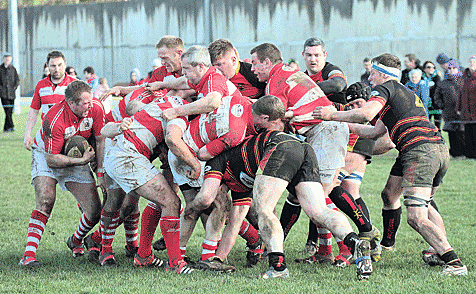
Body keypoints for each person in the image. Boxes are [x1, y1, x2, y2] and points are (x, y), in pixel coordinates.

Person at [184, 96, 373, 280]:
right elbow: (236, 219)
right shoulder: (239, 183)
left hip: (278, 146)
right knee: (318, 210)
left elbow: (206, 197)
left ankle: (278, 266)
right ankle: (354, 242)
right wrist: (219, 258)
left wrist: (190, 210)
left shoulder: (216, 161)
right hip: (303, 148)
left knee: (263, 210)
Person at [313, 53, 468, 276]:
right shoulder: (403, 92)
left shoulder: (385, 88)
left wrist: (331, 114)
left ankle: (453, 262)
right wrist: (342, 124)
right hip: (433, 148)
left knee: (416, 217)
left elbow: (366, 113)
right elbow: (375, 131)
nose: (370, 78)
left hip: (419, 151)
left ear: (382, 74)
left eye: (373, 73)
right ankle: (420, 247)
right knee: (390, 195)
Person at [149, 45, 260, 269]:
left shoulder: (212, 80)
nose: (184, 74)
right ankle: (212, 256)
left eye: (187, 69)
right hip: (194, 153)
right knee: (220, 205)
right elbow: (190, 88)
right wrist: (163, 85)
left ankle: (177, 254)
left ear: (201, 66)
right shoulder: (206, 79)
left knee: (199, 205)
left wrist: (176, 108)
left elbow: (212, 101)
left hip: (184, 152)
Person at [98, 90, 194, 273]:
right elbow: (173, 141)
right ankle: (176, 263)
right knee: (171, 202)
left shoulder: (164, 101)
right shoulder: (180, 114)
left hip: (115, 150)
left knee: (118, 203)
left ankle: (113, 251)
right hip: (128, 157)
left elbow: (129, 109)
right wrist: (195, 165)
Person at [18, 80, 106, 267]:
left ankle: (75, 240)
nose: (90, 106)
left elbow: (100, 140)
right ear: (71, 103)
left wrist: (100, 173)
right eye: (85, 103)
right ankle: (28, 256)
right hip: (47, 155)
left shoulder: (96, 108)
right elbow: (52, 159)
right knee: (46, 200)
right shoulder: (54, 118)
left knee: (94, 212)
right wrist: (81, 161)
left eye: (91, 101)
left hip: (76, 156)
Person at [24, 51, 77, 151]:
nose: (57, 69)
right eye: (53, 66)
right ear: (47, 66)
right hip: (46, 135)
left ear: (65, 64)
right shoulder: (41, 85)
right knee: (42, 165)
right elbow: (34, 111)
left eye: (60, 65)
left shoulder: (74, 84)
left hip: (70, 137)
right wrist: (27, 134)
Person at [301, 37, 347, 104]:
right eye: (309, 55)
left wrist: (307, 90)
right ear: (303, 55)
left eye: (317, 55)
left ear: (325, 55)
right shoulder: (301, 78)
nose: (312, 59)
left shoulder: (332, 70)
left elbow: (338, 84)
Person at [434, 60, 465, 157]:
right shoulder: (443, 83)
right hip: (449, 111)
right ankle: (454, 152)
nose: (452, 70)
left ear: (458, 69)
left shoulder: (463, 81)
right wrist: (442, 105)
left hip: (462, 111)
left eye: (454, 68)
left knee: (462, 131)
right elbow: (437, 96)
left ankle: (464, 151)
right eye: (450, 68)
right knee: (452, 132)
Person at [458, 55, 476, 158]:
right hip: (466, 111)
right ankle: (469, 153)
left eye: (473, 62)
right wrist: (458, 108)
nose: (471, 64)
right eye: (470, 62)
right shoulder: (464, 77)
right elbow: (460, 94)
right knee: (468, 132)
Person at [0, 53, 20, 132]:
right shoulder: (0, 69)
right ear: (3, 59)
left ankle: (7, 128)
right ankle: (11, 126)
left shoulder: (13, 69)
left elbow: (17, 80)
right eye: (6, 59)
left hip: (11, 94)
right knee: (7, 111)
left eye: (8, 59)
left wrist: (14, 87)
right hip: (4, 95)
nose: (7, 60)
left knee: (10, 111)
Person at [422, 61, 442, 130]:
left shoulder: (437, 78)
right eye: (429, 67)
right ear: (424, 69)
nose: (431, 69)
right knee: (427, 126)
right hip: (426, 106)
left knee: (438, 127)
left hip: (436, 106)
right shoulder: (422, 79)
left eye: (433, 67)